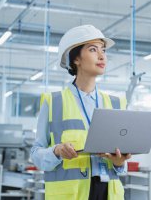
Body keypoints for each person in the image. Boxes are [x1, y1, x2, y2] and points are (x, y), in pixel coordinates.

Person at [30, 24, 131, 200]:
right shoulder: (53, 102)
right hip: (72, 195)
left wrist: (119, 163)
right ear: (75, 58)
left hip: (109, 192)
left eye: (103, 50)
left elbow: (121, 160)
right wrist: (57, 151)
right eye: (93, 49)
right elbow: (36, 154)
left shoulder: (116, 103)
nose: (102, 56)